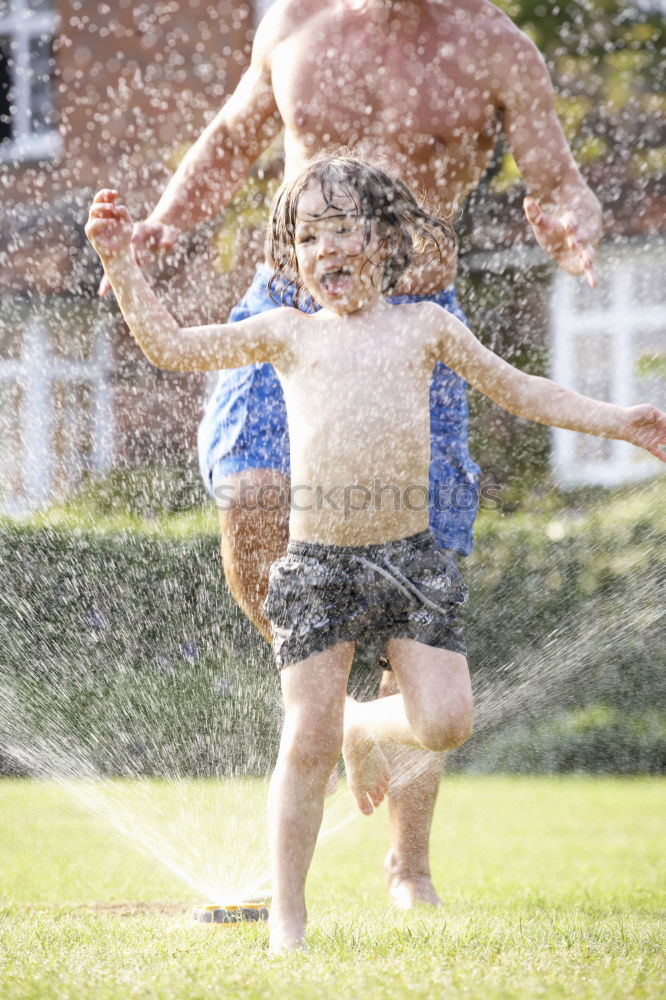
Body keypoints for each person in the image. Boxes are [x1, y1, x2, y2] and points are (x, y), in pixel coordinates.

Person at [86, 155, 665, 953]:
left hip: (412, 561)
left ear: (384, 239)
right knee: (304, 739)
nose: (326, 249)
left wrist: (620, 422)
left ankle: (364, 727)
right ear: (293, 257)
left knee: (446, 722)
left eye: (343, 228)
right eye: (307, 235)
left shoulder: (425, 326)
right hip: (321, 565)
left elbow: (523, 390)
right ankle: (289, 911)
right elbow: (171, 347)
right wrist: (121, 261)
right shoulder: (286, 333)